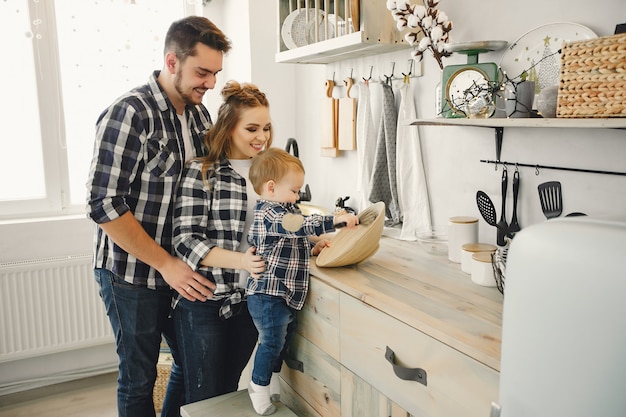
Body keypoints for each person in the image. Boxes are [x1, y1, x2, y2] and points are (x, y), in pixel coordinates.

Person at [86, 16, 231, 417]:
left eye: (216, 73)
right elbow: (103, 205)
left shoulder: (200, 116)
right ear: (172, 61)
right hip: (131, 273)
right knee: (139, 377)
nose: (211, 83)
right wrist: (167, 265)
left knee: (189, 363)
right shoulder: (130, 113)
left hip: (179, 270)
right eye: (202, 72)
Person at [171, 81, 271, 406]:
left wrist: (313, 241)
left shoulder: (268, 174)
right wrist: (241, 261)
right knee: (205, 398)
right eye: (252, 128)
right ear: (229, 130)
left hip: (250, 303)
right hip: (205, 302)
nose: (262, 137)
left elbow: (280, 224)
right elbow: (186, 241)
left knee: (226, 392)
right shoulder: (202, 173)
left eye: (267, 128)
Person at [245, 148, 359, 415]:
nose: (298, 196)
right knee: (271, 342)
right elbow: (299, 225)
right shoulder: (270, 214)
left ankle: (270, 381)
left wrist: (312, 249)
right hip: (268, 295)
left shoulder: (284, 208)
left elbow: (287, 246)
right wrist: (336, 220)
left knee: (282, 341)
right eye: (294, 190)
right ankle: (258, 386)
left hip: (283, 295)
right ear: (271, 187)